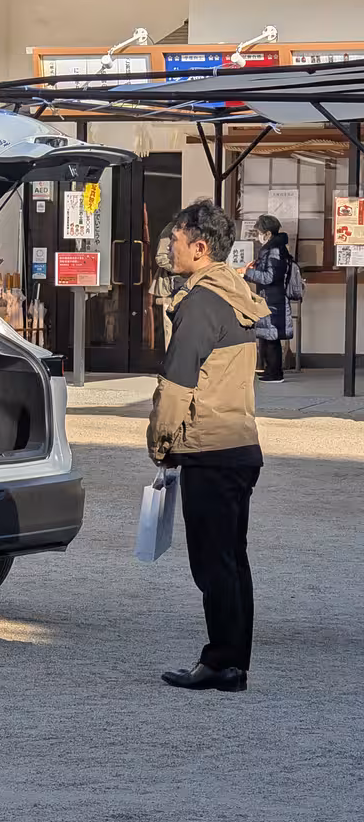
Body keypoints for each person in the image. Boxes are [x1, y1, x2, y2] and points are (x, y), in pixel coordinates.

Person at [148, 200, 269, 693]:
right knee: (232, 560)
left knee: (213, 562)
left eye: (174, 240)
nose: (168, 248)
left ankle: (220, 662)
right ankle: (233, 661)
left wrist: (159, 443)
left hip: (210, 451)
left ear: (199, 247)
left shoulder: (198, 303)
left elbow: (176, 387)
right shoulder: (236, 295)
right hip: (241, 446)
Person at [243, 214, 292, 383]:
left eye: (259, 232)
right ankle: (270, 370)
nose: (258, 236)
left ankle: (275, 373)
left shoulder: (274, 251)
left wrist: (247, 273)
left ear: (268, 234)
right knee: (267, 336)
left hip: (273, 298)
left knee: (271, 338)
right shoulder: (273, 250)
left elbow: (269, 277)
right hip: (270, 297)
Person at [151, 219, 180, 347]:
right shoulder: (172, 228)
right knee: (171, 329)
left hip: (195, 286)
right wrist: (179, 267)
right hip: (171, 286)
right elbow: (161, 257)